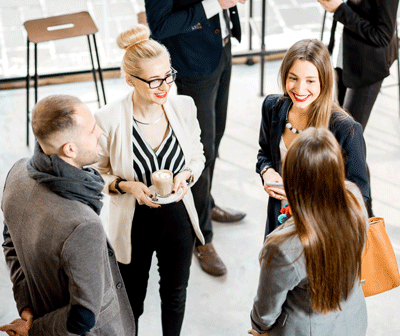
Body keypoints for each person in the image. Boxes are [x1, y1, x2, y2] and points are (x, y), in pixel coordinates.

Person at [93, 24, 205, 336]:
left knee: (175, 292)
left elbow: (197, 156)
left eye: (168, 75)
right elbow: (97, 172)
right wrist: (127, 186)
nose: (164, 86)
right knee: (132, 299)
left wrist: (186, 176)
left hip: (177, 218)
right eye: (154, 79)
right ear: (129, 79)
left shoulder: (183, 107)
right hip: (133, 222)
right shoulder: (108, 119)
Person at [0, 94, 135, 336]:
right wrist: (32, 332)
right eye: (91, 129)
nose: (100, 132)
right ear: (70, 149)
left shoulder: (18, 173)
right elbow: (83, 316)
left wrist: (27, 308)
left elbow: (9, 240)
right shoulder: (81, 223)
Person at [250, 127, 369, 336]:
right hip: (352, 335)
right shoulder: (354, 198)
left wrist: (259, 328)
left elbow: (266, 308)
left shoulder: (282, 246)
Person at [145, 0, 247, 276]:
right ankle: (202, 237)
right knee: (201, 152)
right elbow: (160, 25)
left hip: (221, 48)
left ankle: (207, 204)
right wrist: (216, 4)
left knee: (217, 137)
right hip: (193, 60)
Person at [256, 38, 369, 237]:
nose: (299, 89)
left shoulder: (346, 130)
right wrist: (267, 171)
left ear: (323, 82)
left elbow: (359, 195)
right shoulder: (272, 108)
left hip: (324, 235)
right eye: (293, 78)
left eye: (310, 81)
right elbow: (264, 153)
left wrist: (303, 195)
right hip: (279, 224)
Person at [318, 0, 399, 217]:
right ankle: (354, 212)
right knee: (343, 142)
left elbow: (382, 35)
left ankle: (367, 219)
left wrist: (339, 10)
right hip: (344, 61)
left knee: (348, 144)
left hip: (367, 68)